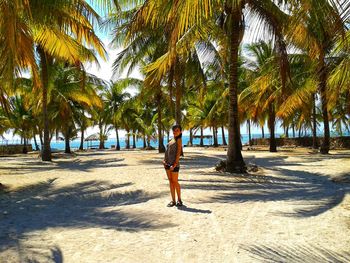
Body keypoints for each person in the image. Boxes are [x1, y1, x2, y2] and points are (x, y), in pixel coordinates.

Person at [163, 124, 183, 207]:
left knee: (175, 182)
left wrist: (174, 164)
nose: (175, 132)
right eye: (174, 131)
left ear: (180, 131)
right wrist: (164, 160)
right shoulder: (172, 139)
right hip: (167, 163)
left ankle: (179, 200)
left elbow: (178, 153)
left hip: (173, 164)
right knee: (171, 182)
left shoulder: (179, 139)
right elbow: (167, 151)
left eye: (177, 130)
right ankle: (173, 200)